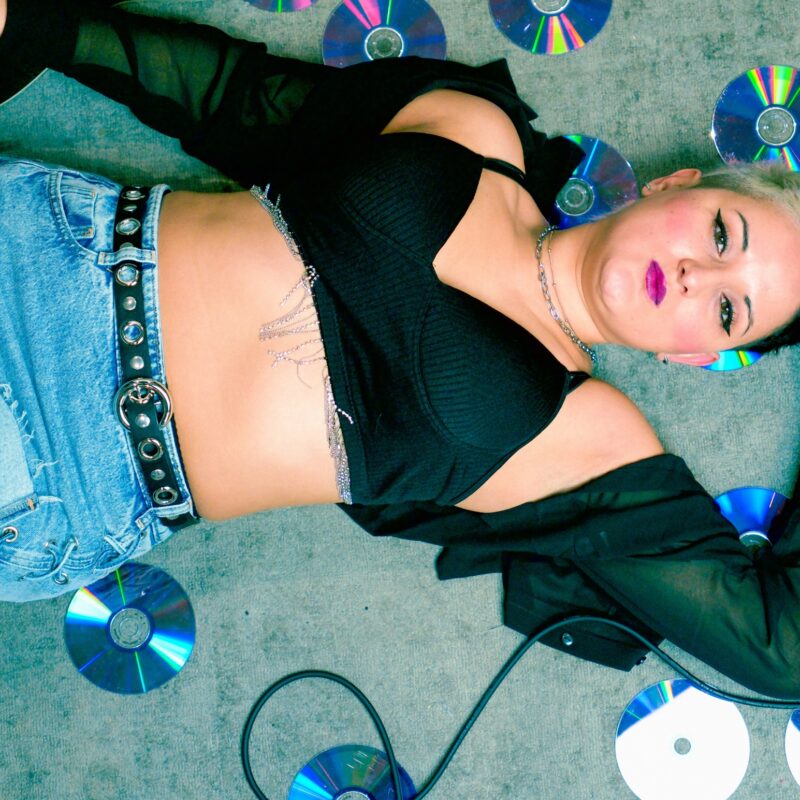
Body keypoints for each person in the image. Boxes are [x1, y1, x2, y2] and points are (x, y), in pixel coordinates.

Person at [2, 0, 800, 698]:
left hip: (61, 476)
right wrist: (37, 25)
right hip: (40, 244)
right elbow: (231, 97)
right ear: (674, 185)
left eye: (730, 310)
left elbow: (785, 648)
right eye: (721, 234)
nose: (698, 277)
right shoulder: (473, 127)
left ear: (695, 357)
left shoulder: (594, 443)